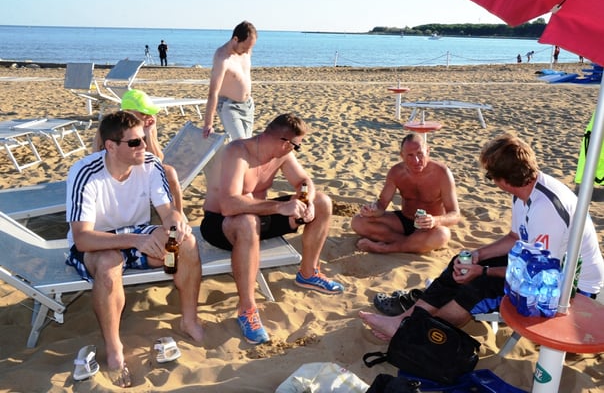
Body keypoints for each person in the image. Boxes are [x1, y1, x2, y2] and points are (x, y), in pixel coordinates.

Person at [360, 133, 604, 341]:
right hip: (542, 266)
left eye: (490, 177)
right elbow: (514, 238)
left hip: (570, 289)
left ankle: (410, 333)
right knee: (461, 262)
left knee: (477, 289)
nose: (492, 182)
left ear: (503, 179)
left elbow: (537, 273)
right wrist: (477, 255)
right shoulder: (526, 190)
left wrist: (484, 272)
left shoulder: (546, 209)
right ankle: (403, 321)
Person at [66, 111, 204, 387]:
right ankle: (114, 348)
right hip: (98, 241)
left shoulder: (151, 165)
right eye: (134, 142)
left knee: (186, 244)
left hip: (137, 233)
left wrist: (175, 225)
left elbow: (168, 213)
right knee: (109, 263)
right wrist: (134, 241)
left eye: (143, 139)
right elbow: (82, 239)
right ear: (111, 146)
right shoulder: (85, 172)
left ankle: (189, 321)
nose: (144, 146)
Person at [200, 113, 344, 344]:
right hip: (221, 224)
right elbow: (228, 205)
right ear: (285, 142)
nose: (295, 150)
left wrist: (306, 200)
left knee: (322, 202)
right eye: (296, 146)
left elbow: (304, 181)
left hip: (258, 218)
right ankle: (247, 309)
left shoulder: (282, 155)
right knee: (248, 222)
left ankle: (308, 273)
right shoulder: (237, 152)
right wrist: (280, 207)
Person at [351, 133, 460, 254]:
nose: (416, 161)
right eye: (410, 155)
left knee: (442, 235)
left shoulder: (442, 173)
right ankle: (411, 244)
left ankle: (386, 248)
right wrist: (373, 211)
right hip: (404, 221)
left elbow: (455, 214)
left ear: (428, 151)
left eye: (420, 154)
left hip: (429, 228)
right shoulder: (396, 172)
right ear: (402, 155)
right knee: (358, 221)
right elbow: (382, 204)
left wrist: (434, 220)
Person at [92, 89, 186, 212]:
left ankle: (179, 213)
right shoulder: (109, 128)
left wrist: (148, 133)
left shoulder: (147, 126)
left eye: (150, 113)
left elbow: (157, 159)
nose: (148, 117)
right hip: (116, 170)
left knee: (170, 172)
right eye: (143, 113)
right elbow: (97, 156)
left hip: (141, 167)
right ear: (128, 112)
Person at [202, 21, 257, 140]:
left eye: (250, 48)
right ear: (235, 39)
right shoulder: (222, 57)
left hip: (248, 105)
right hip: (229, 106)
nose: (247, 51)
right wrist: (208, 124)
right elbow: (213, 92)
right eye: (244, 47)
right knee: (240, 144)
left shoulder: (247, 51)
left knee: (247, 143)